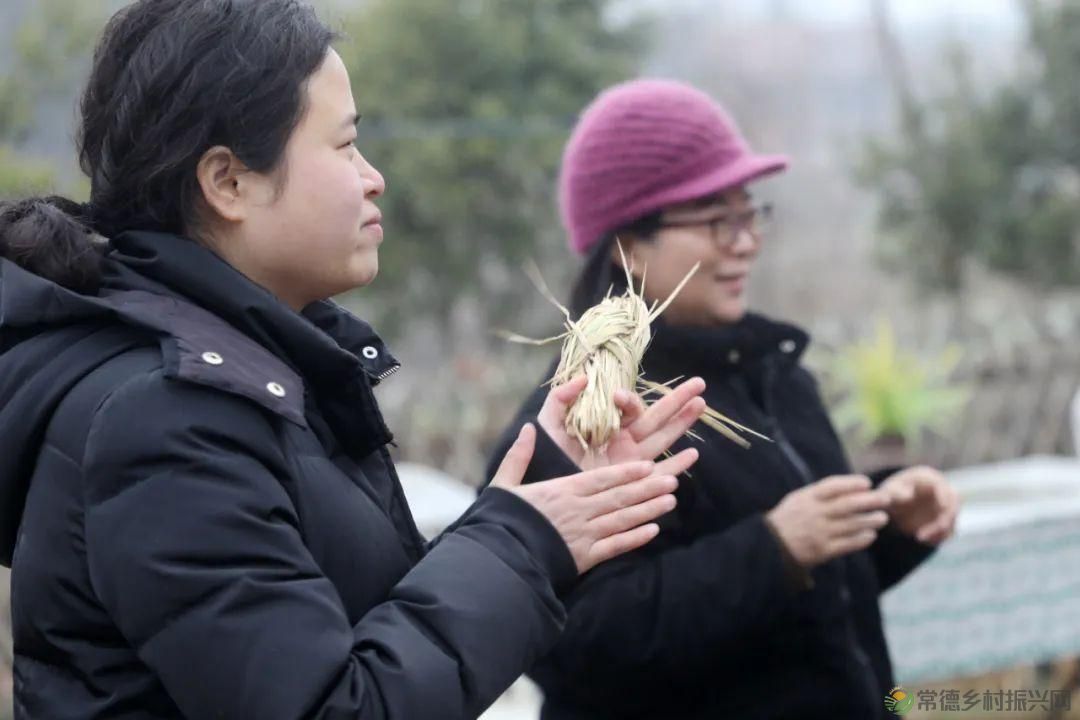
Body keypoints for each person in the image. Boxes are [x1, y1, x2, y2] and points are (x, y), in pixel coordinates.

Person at [0, 4, 708, 719]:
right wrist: (521, 543)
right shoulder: (166, 421)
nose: (374, 179)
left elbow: (367, 632)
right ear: (228, 182)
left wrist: (543, 494)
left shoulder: (264, 380)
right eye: (345, 146)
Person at [486, 79, 961, 720]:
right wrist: (772, 550)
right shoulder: (587, 415)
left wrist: (885, 520)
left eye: (749, 214)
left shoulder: (773, 375)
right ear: (629, 247)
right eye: (717, 221)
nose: (746, 242)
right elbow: (576, 643)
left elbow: (812, 603)